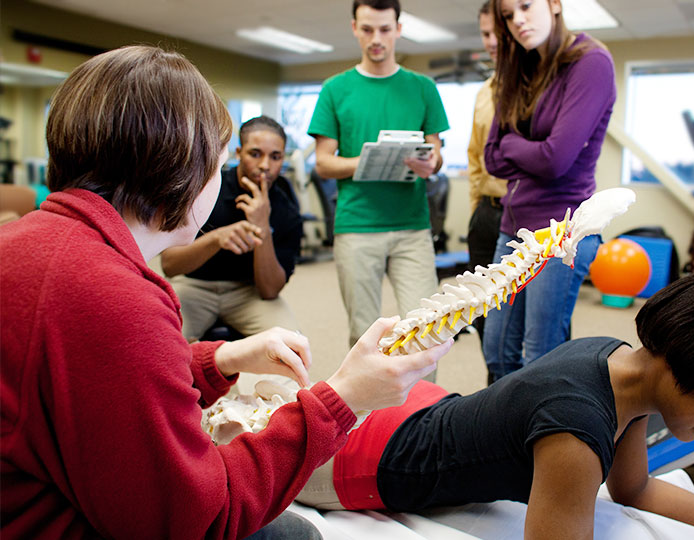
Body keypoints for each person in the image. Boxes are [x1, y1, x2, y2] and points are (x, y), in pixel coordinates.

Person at [0, 45, 452, 540]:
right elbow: (201, 520)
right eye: (220, 163)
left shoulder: (28, 243)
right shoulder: (115, 297)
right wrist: (340, 399)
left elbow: (107, 378)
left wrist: (220, 360)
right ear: (183, 170)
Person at [295, 269, 694, 540]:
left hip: (419, 412)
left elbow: (632, 488)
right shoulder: (576, 433)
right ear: (681, 359)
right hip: (361, 460)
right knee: (252, 448)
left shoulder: (618, 364)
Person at [480, 0, 616, 381]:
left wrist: (513, 145)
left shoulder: (591, 63)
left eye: (526, 5)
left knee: (539, 355)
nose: (518, 20)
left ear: (554, 4)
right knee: (496, 350)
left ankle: (541, 438)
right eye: (508, 15)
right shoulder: (518, 66)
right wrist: (530, 152)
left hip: (561, 231)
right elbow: (492, 156)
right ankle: (503, 433)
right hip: (513, 226)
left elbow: (556, 160)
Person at [308, 0, 450, 355]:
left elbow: (437, 154)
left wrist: (431, 162)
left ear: (398, 29)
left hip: (413, 227)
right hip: (356, 227)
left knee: (427, 327)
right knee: (364, 335)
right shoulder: (335, 89)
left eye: (385, 30)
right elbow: (323, 163)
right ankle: (371, 413)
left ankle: (426, 411)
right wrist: (370, 162)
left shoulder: (422, 87)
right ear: (354, 28)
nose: (377, 39)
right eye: (367, 29)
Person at [160, 116, 302, 344]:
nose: (265, 165)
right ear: (238, 153)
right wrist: (216, 239)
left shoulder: (288, 211)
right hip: (194, 287)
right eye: (255, 154)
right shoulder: (204, 191)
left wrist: (263, 226)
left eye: (275, 157)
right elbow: (170, 265)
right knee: (159, 343)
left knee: (292, 346)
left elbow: (269, 291)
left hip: (248, 292)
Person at [466, 0, 507, 346]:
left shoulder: (544, 89)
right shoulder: (484, 92)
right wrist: (477, 211)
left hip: (530, 218)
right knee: (484, 315)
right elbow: (474, 158)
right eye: (485, 34)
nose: (492, 41)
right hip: (487, 213)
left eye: (498, 31)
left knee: (534, 325)